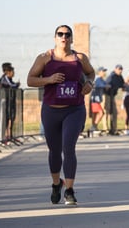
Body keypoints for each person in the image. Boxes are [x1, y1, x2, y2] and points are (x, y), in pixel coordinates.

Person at [27, 25, 95, 206]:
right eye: (60, 34)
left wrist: (89, 83)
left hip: (74, 109)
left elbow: (90, 72)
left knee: (68, 147)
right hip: (51, 110)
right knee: (54, 150)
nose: (64, 37)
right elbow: (30, 79)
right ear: (55, 38)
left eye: (67, 34)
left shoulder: (79, 58)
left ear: (72, 38)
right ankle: (57, 184)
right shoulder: (44, 58)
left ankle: (70, 191)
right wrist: (48, 80)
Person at [0, 64, 21, 142]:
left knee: (12, 118)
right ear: (7, 72)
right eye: (12, 71)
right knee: (5, 119)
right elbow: (11, 85)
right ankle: (4, 137)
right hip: (6, 102)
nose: (13, 73)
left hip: (11, 101)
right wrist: (17, 84)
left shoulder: (10, 79)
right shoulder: (4, 79)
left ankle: (11, 135)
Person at [104, 64, 125, 135]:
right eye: (119, 69)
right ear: (115, 69)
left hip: (112, 96)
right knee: (106, 112)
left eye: (121, 69)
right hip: (107, 95)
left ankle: (114, 129)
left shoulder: (120, 77)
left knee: (114, 113)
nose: (120, 70)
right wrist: (109, 86)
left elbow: (123, 85)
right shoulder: (111, 76)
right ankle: (105, 129)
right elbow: (106, 85)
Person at [90, 67, 108, 131]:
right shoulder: (98, 78)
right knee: (101, 113)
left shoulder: (101, 79)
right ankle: (93, 126)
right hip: (95, 98)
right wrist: (106, 86)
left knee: (95, 113)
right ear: (99, 72)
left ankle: (94, 127)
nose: (104, 73)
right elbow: (104, 86)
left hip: (97, 99)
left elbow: (106, 84)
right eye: (103, 71)